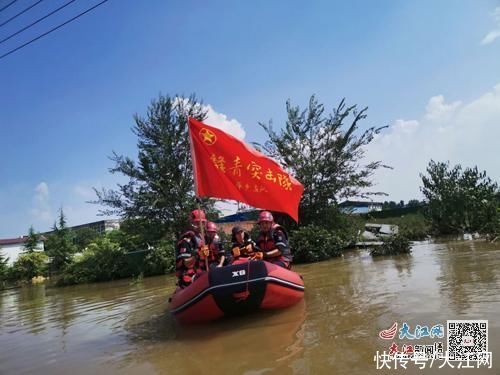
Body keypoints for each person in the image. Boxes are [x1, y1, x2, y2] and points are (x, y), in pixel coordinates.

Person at [175, 209, 207, 287]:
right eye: (197, 223)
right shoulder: (186, 240)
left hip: (200, 271)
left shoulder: (202, 238)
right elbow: (186, 262)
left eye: (202, 223)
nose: (200, 225)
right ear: (192, 224)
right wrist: (197, 255)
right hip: (188, 275)